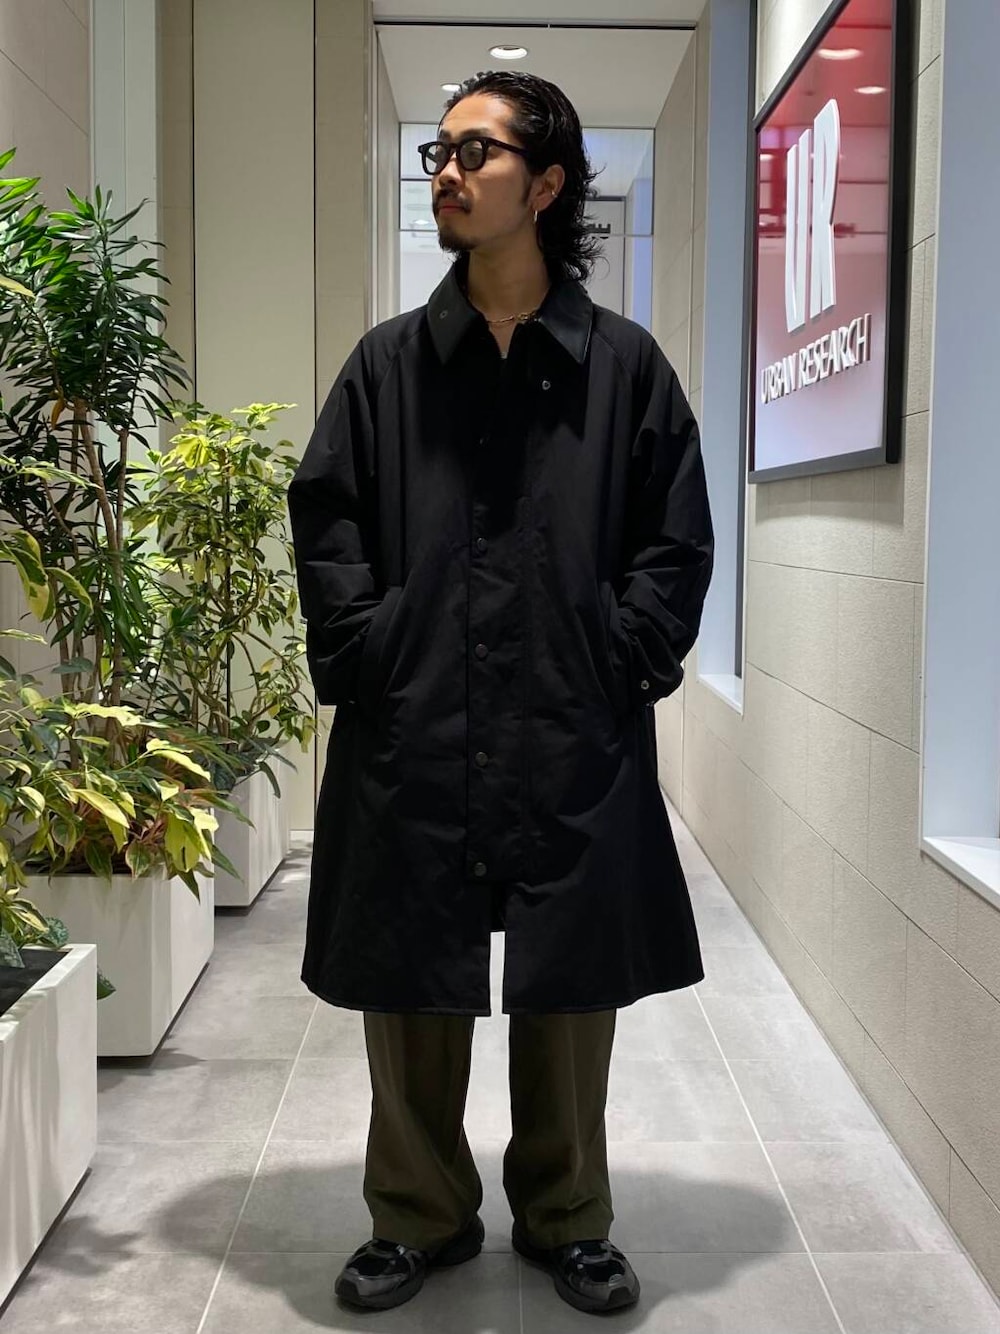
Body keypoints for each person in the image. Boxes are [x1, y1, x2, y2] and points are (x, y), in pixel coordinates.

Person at [287, 69, 714, 1316]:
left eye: (475, 152)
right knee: (408, 971)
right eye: (439, 151)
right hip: (414, 714)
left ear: (547, 183)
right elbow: (327, 517)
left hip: (569, 718)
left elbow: (675, 538)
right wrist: (368, 645)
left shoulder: (624, 368)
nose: (447, 172)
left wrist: (621, 653)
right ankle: (415, 1212)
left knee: (569, 982)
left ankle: (568, 1213)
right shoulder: (386, 367)